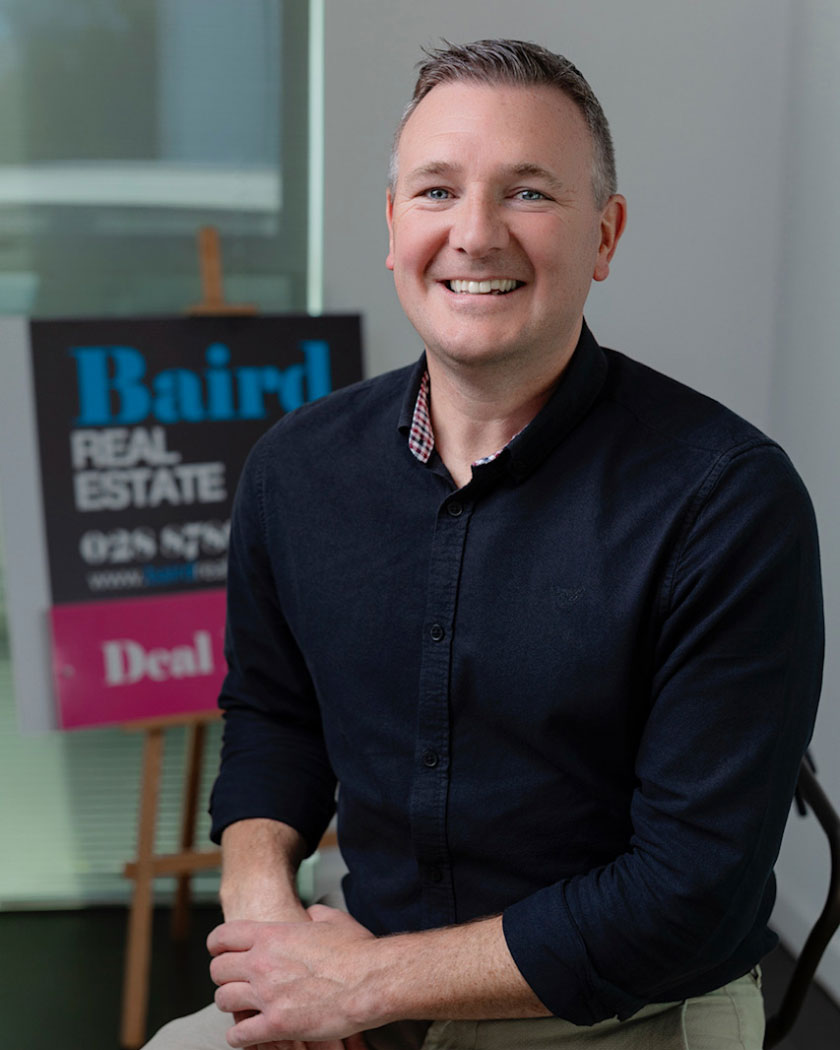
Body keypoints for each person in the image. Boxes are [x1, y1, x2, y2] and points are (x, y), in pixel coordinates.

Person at [144, 39, 823, 1050]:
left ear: (605, 235)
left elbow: (692, 888)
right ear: (392, 227)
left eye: (529, 194)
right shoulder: (296, 469)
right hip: (351, 982)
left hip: (619, 1016)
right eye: (437, 191)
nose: (474, 234)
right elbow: (274, 716)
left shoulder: (727, 500)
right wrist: (267, 926)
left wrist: (366, 983)